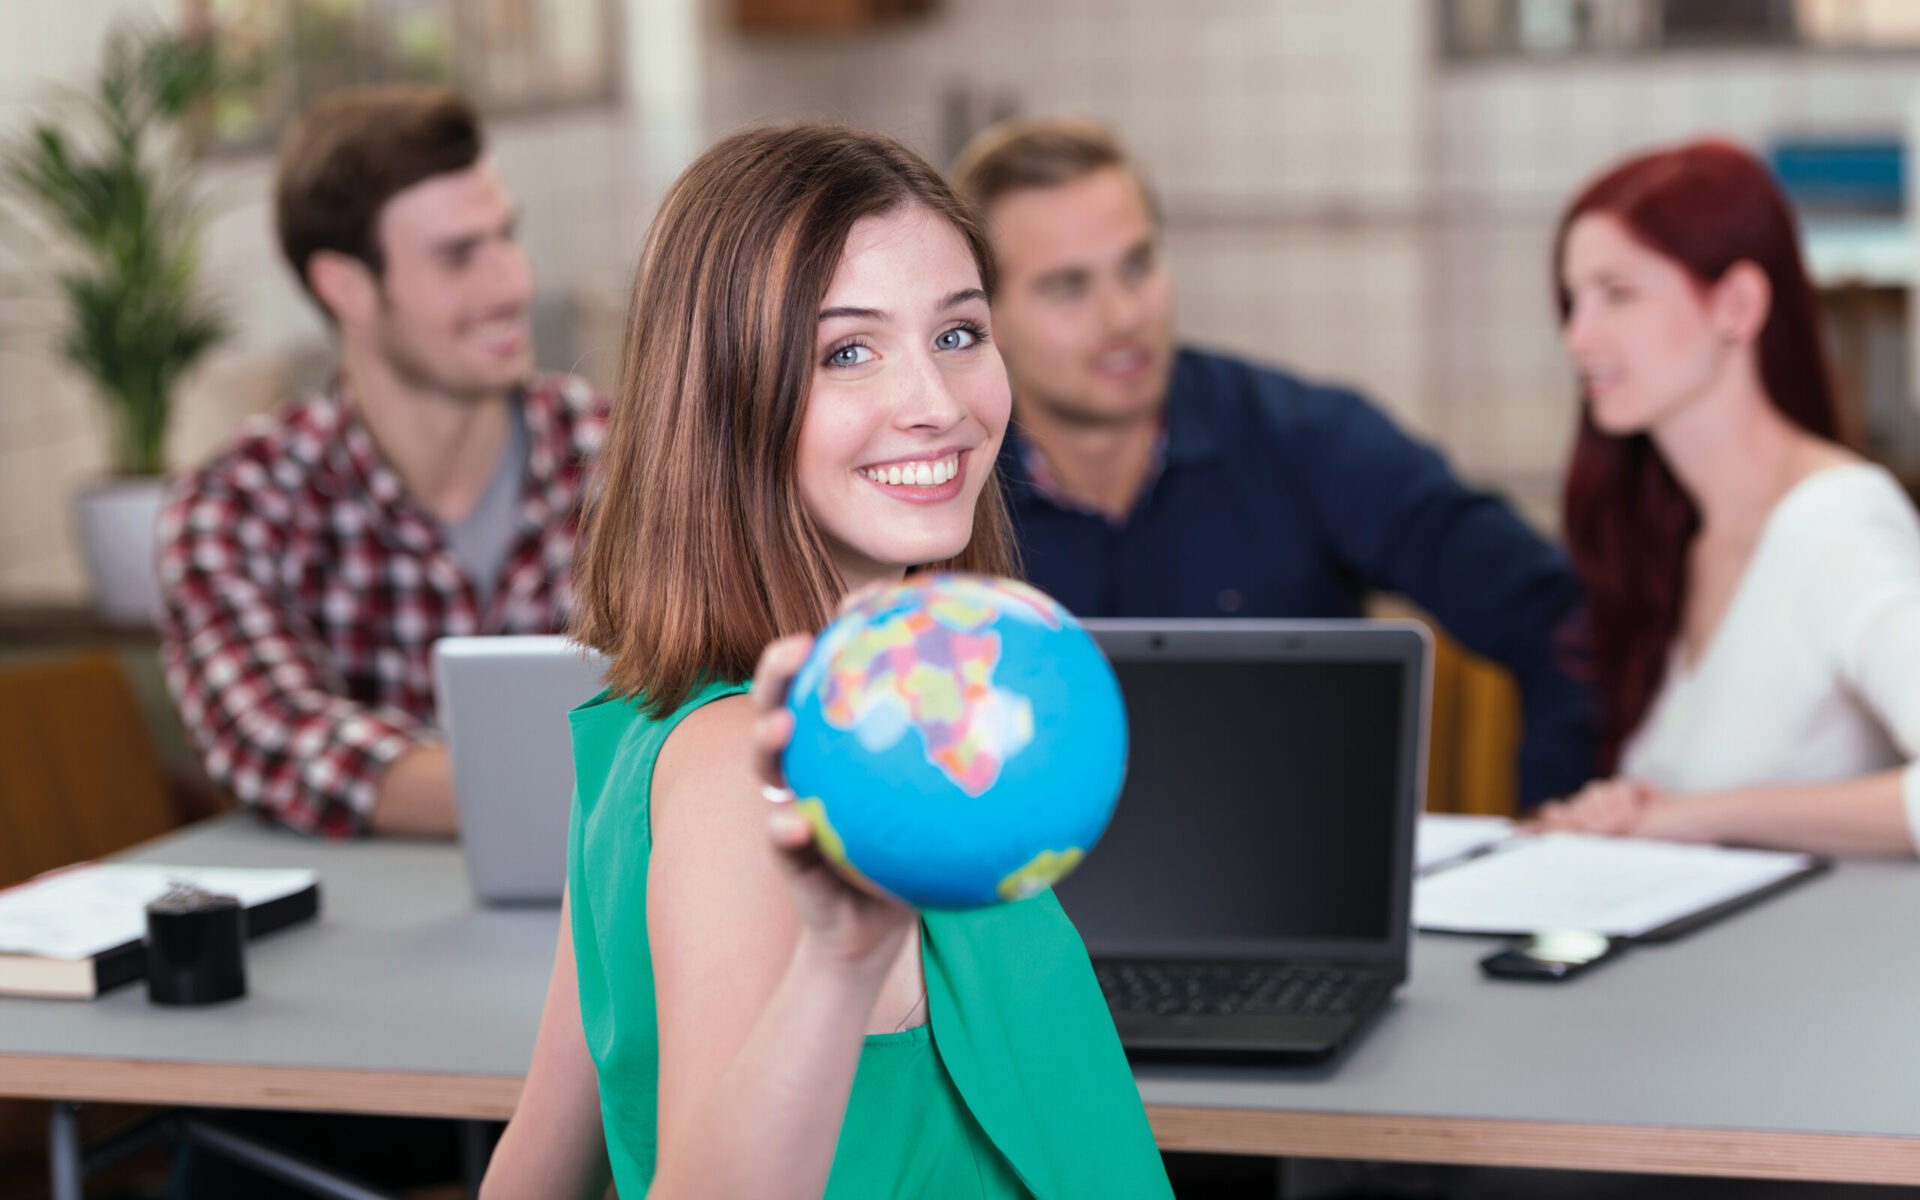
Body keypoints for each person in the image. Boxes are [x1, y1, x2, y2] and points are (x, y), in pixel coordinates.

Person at [481, 124, 1172, 1199]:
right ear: (726, 400)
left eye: (959, 334)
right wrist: (839, 969)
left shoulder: (702, 733)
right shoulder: (737, 777)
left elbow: (538, 1163)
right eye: (848, 351)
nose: (937, 405)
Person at [949, 117, 1599, 808]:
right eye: (1069, 287)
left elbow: (1561, 620)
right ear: (990, 319)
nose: (1122, 316)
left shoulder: (1308, 438)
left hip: (1298, 898)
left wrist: (1554, 825)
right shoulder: (943, 493)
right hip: (1023, 902)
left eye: (1137, 266)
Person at [158, 84, 604, 839]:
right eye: (459, 256)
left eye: (507, 236)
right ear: (345, 288)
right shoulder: (237, 506)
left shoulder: (628, 458)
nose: (514, 283)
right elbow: (277, 741)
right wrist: (625, 778)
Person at [1528, 140, 1920, 858]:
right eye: (1572, 299)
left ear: (1736, 306)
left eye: (1617, 294)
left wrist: (1703, 816)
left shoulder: (1837, 522)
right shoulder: (1678, 537)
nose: (1578, 336)